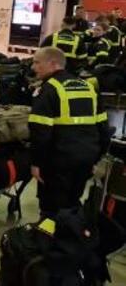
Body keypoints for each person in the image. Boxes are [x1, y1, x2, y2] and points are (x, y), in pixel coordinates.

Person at [29, 47, 109, 217]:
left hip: (57, 162)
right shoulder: (88, 87)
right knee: (73, 203)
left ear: (52, 64)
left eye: (37, 62)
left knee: (51, 208)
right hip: (85, 159)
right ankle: (70, 237)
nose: (33, 67)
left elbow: (40, 133)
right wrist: (97, 157)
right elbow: (103, 128)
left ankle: (50, 240)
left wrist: (36, 163)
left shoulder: (49, 89)